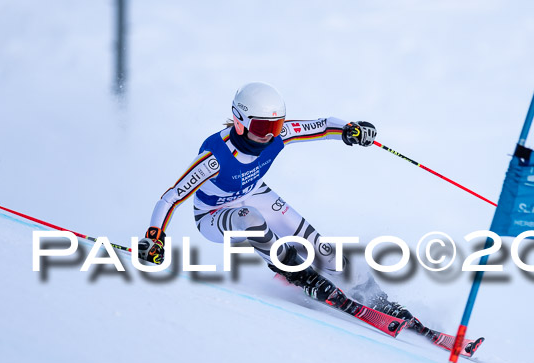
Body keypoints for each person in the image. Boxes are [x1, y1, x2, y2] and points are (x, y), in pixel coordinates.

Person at [138, 82, 425, 332]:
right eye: (262, 127)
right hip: (213, 214)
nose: (269, 135)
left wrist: (350, 130)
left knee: (322, 249)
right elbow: (172, 196)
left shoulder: (278, 136)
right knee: (248, 218)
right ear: (239, 121)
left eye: (274, 127)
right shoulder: (215, 155)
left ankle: (376, 298)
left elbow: (322, 125)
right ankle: (295, 272)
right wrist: (155, 237)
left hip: (253, 192)